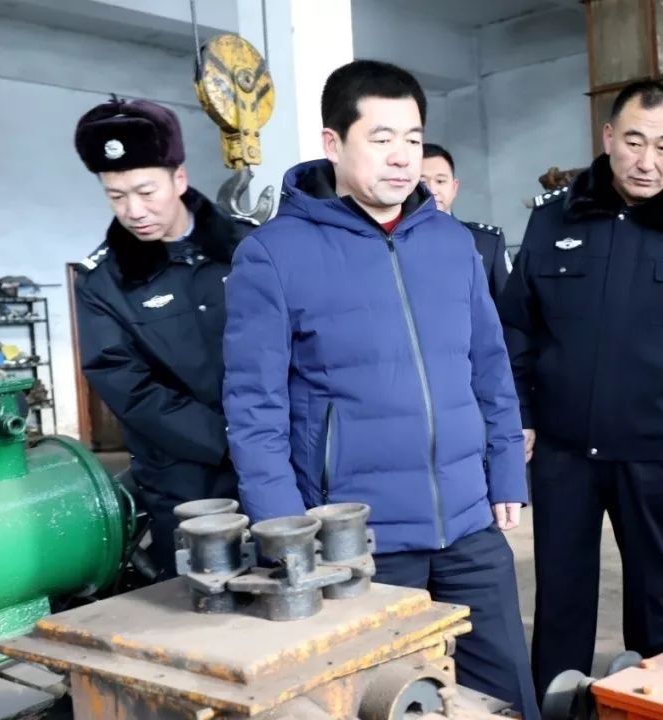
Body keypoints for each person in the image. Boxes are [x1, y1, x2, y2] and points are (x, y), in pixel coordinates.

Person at [221, 60, 538, 719]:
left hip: (469, 522)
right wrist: (284, 530)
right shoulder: (274, 254)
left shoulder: (452, 243)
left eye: (413, 139)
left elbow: (489, 365)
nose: (402, 157)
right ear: (333, 143)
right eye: (381, 138)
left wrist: (507, 470)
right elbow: (254, 408)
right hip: (359, 540)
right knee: (385, 702)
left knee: (507, 696)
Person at [497, 80, 663, 701]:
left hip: (657, 452)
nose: (648, 161)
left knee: (655, 598)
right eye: (634, 141)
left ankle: (652, 707)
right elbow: (517, 328)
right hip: (563, 452)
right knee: (560, 596)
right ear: (608, 137)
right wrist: (520, 415)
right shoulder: (551, 219)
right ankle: (556, 707)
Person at [73, 98, 250, 579]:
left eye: (146, 191)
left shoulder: (249, 248)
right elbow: (126, 383)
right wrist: (226, 438)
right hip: (185, 479)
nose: (134, 210)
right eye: (116, 196)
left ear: (179, 179)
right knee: (203, 599)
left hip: (277, 455)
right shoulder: (103, 281)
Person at [421, 143, 512, 299]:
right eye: (422, 183)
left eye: (440, 181)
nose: (432, 191)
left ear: (454, 187)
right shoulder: (391, 243)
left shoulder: (487, 242)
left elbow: (508, 306)